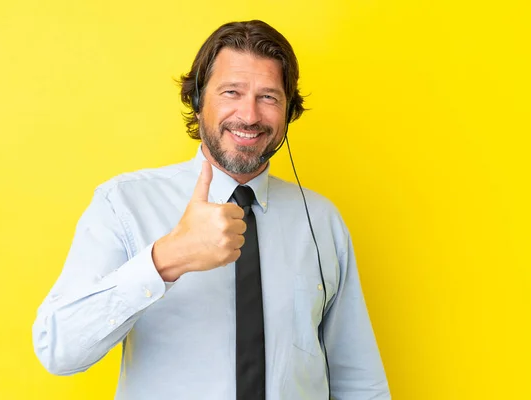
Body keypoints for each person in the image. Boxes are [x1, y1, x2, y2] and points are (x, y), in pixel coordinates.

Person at [32, 19, 391, 400]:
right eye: (232, 92)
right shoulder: (123, 204)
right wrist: (166, 259)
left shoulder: (321, 220)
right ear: (198, 99)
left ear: (290, 111)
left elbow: (358, 381)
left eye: (268, 97)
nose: (249, 116)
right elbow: (58, 349)